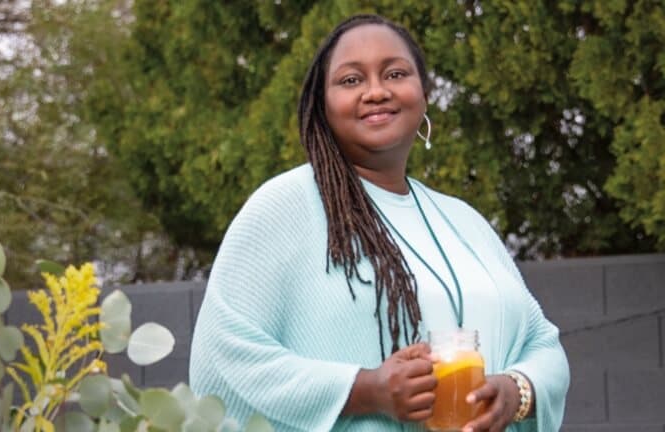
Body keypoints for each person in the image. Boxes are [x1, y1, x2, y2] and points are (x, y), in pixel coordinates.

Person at [188, 14, 569, 432]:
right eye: (351, 80)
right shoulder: (285, 206)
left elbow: (541, 341)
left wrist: (518, 390)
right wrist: (368, 389)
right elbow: (224, 356)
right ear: (323, 105)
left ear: (423, 94)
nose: (376, 91)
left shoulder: (464, 221)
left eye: (395, 73)